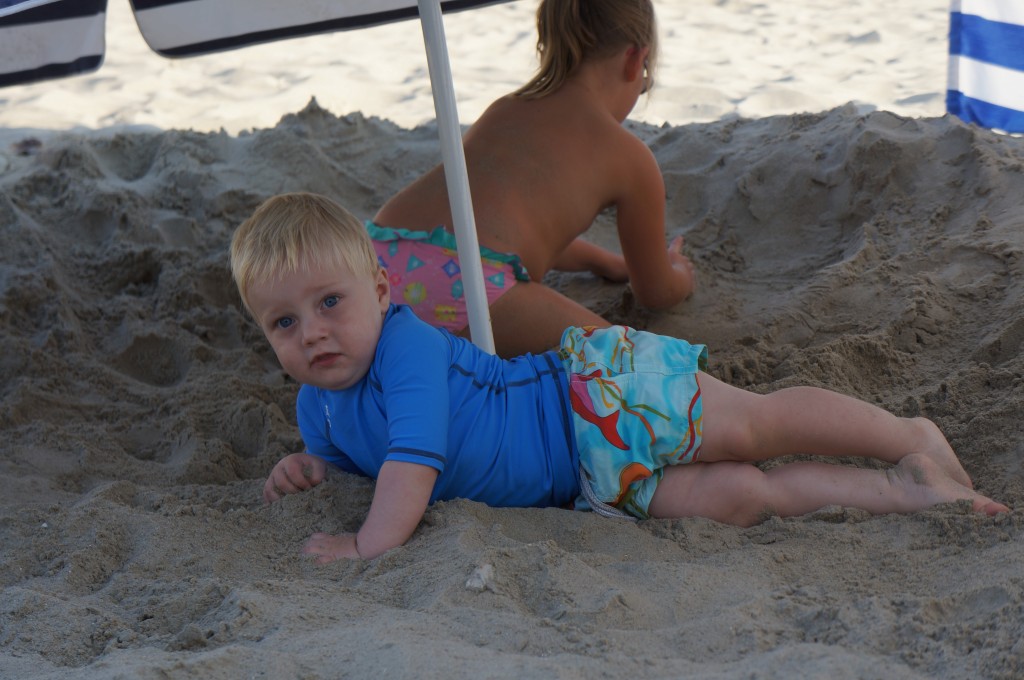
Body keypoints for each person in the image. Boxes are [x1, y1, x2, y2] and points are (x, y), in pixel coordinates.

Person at [230, 193, 1008, 563]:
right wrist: (309, 468)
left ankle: (909, 437)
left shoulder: (406, 348)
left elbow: (411, 463)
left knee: (753, 425)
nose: (313, 333)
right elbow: (357, 458)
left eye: (330, 302)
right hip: (580, 482)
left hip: (593, 394)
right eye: (284, 323)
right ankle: (904, 494)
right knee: (739, 498)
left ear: (380, 292)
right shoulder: (317, 407)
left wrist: (365, 548)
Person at [370, 0, 695, 357]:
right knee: (628, 358)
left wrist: (604, 262)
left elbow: (496, 226)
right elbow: (655, 293)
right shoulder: (631, 157)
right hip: (462, 285)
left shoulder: (504, 108)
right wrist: (679, 272)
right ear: (636, 60)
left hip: (377, 261)